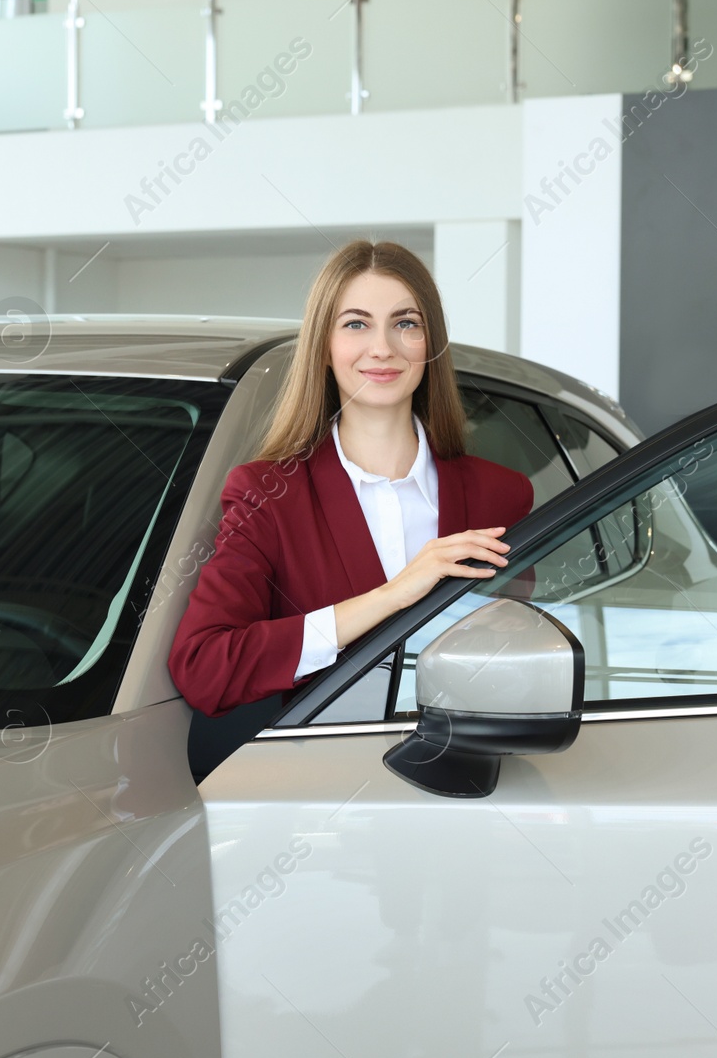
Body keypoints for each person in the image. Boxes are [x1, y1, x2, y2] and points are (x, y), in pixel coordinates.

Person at [167, 240, 534, 718]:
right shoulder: (269, 496)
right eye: (356, 324)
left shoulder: (500, 495)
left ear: (431, 344)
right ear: (324, 346)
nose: (382, 348)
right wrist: (388, 598)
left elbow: (521, 667)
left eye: (406, 324)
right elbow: (205, 670)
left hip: (467, 771)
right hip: (327, 779)